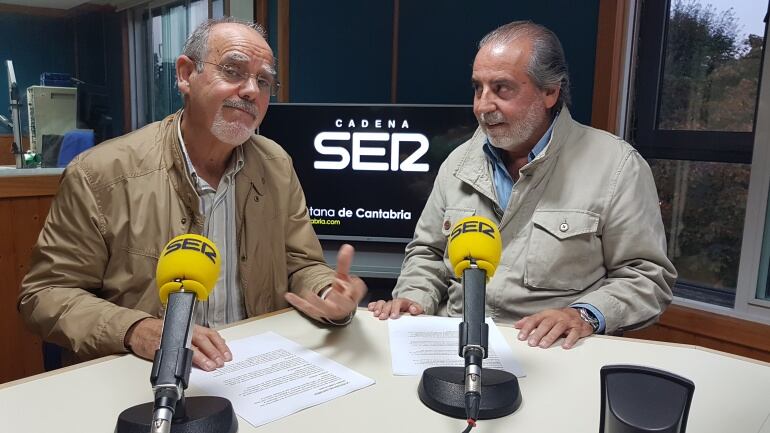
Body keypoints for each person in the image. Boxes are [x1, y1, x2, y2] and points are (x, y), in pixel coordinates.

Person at [18, 17, 365, 371]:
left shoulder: (276, 164)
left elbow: (301, 264)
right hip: (142, 374)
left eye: (264, 81)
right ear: (185, 74)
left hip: (251, 369)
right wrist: (137, 329)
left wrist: (327, 292)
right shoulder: (100, 173)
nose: (251, 91)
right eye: (233, 71)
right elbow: (45, 295)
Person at [368, 21, 676, 349]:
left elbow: (646, 277)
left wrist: (582, 315)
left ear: (550, 92)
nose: (482, 106)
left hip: (550, 352)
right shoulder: (458, 163)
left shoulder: (617, 166)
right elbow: (428, 252)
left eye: (502, 88)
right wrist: (415, 299)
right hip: (452, 345)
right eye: (478, 88)